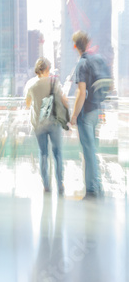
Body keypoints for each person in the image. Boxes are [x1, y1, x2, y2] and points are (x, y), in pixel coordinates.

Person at [25, 57, 69, 194]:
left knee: (43, 153)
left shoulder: (32, 85)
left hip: (39, 125)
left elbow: (27, 104)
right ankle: (60, 183)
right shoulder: (54, 82)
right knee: (57, 153)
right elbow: (64, 100)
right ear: (46, 70)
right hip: (54, 123)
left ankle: (46, 185)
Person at [70, 31, 104, 197]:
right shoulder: (97, 60)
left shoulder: (81, 64)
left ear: (75, 46)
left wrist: (74, 115)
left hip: (86, 112)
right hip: (97, 109)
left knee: (88, 151)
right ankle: (97, 184)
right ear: (88, 43)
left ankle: (91, 188)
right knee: (92, 149)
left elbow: (81, 93)